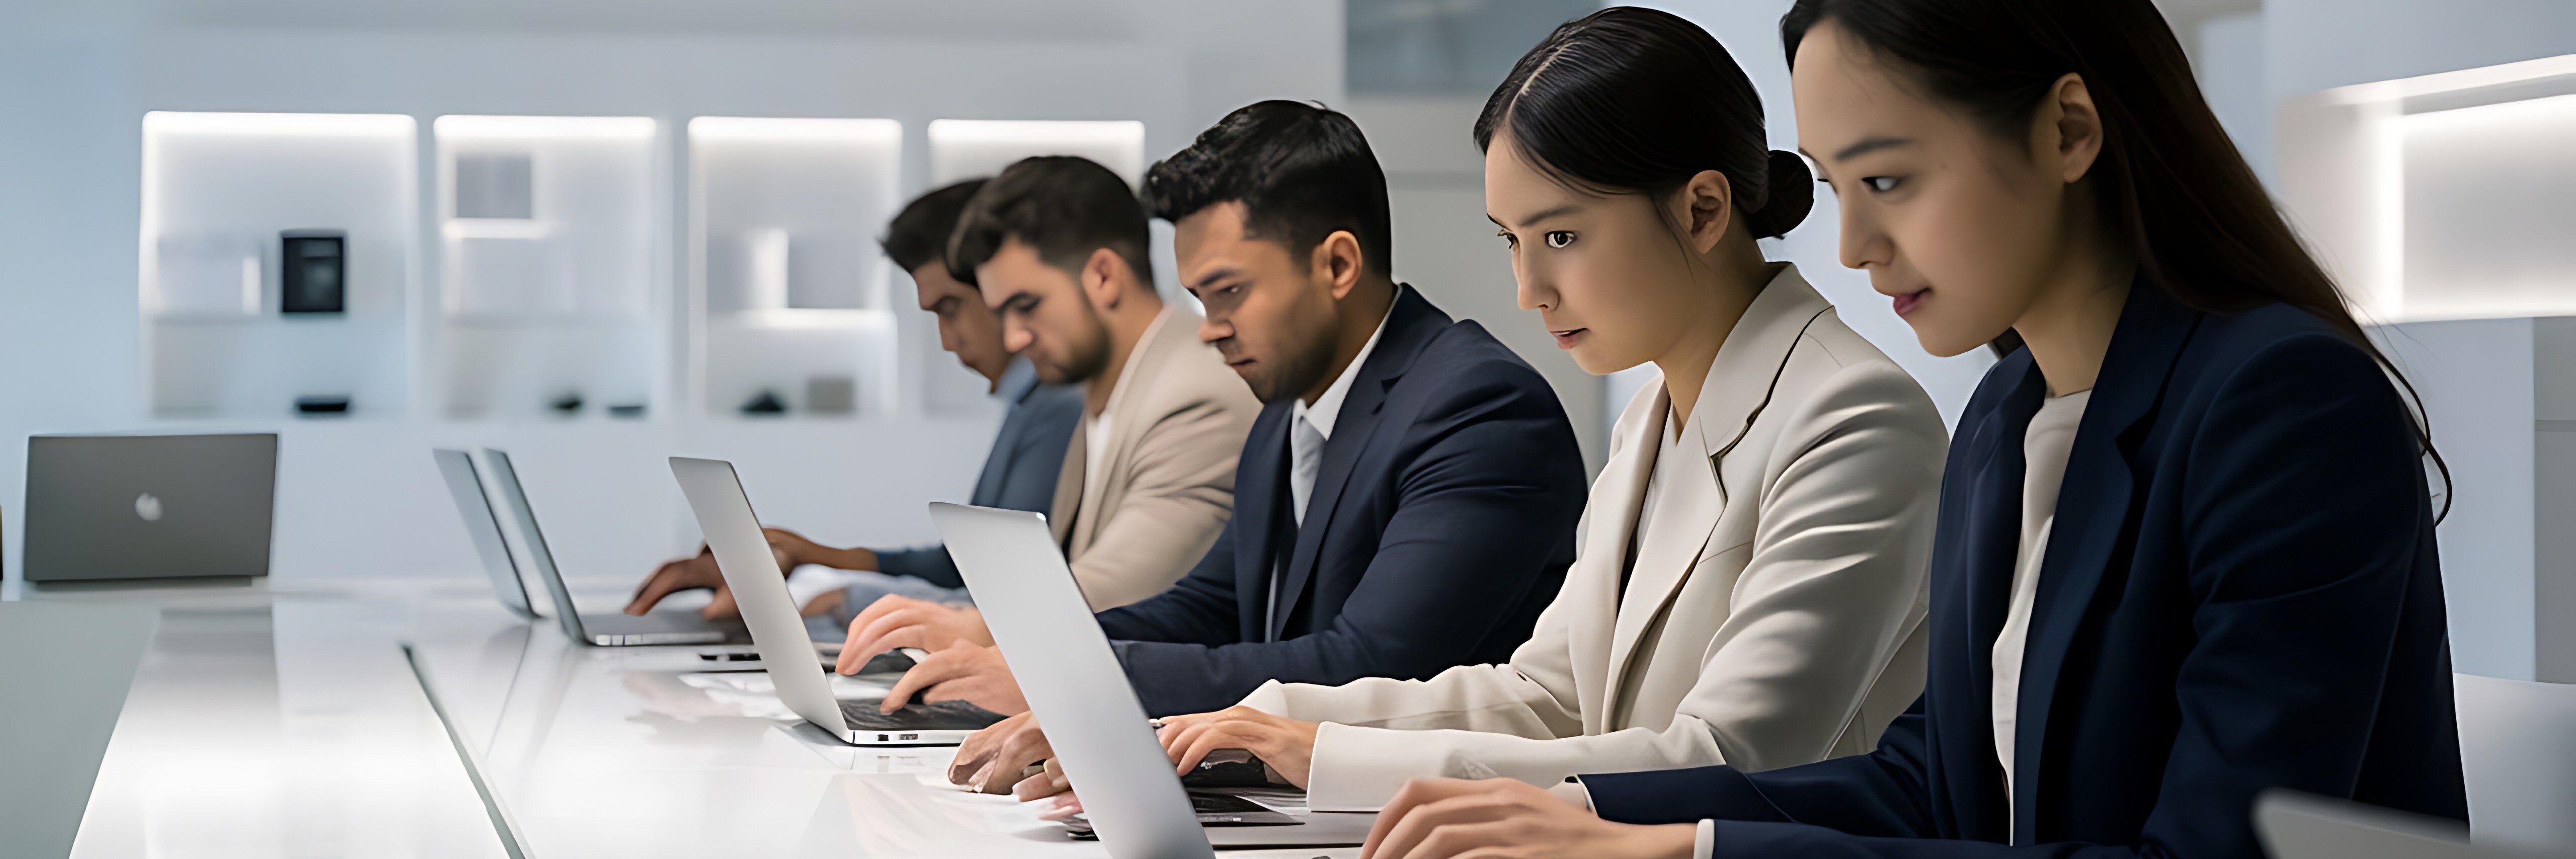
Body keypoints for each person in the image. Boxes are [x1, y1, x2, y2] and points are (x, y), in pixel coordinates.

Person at [1356, 2, 2464, 858]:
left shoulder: (2281, 402)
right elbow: (1932, 778)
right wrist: (1600, 819)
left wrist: (1674, 846)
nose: (1851, 245)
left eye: (1888, 177)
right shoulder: (2004, 413)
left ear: (2068, 129)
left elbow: (2200, 850)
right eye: (1837, 184)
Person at [1136, 9, 1948, 814]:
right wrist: (1271, 721)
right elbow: (1542, 694)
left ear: (1703, 209)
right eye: (1511, 242)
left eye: (1559, 236)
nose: (1529, 292)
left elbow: (1726, 757)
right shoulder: (1645, 424)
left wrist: (1326, 755)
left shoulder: (1852, 415)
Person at [840, 102, 1592, 788]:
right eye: (1200, 298)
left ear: (1337, 264)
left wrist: (1086, 679)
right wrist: (1041, 656)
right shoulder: (1286, 409)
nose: (1208, 325)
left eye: (1229, 291)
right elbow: (1210, 603)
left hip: (1424, 810)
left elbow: (1369, 661)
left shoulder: (1480, 405)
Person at [622, 179, 1083, 623]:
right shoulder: (1032, 403)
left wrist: (845, 597)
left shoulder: (1060, 409)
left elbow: (1001, 599)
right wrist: (813, 556)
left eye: (951, 308)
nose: (947, 341)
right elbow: (960, 568)